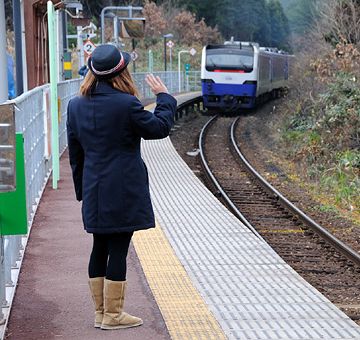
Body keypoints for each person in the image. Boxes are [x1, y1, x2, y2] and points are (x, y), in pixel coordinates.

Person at [66, 44, 177, 330]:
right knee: (118, 248)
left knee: (98, 246)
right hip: (123, 187)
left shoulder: (75, 105)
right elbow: (158, 129)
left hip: (94, 186)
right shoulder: (126, 104)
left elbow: (75, 153)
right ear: (122, 72)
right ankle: (113, 316)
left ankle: (101, 313)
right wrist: (164, 97)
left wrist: (82, 190)